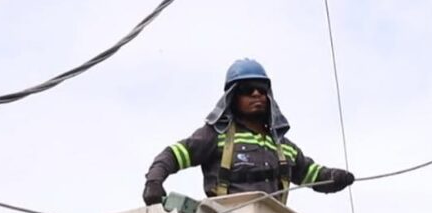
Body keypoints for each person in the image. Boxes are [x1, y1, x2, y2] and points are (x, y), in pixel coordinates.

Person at [142, 58, 354, 205]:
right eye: (247, 89)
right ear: (233, 97)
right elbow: (173, 154)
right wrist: (154, 181)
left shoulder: (284, 148)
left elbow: (311, 173)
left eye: (261, 90)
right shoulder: (217, 136)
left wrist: (334, 177)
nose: (256, 94)